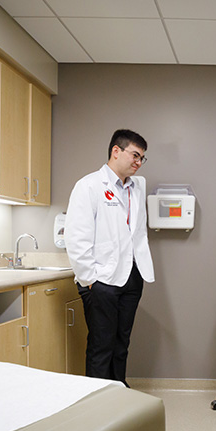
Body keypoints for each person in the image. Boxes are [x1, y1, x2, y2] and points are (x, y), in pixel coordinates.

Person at [64, 129, 154, 386]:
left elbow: (136, 233)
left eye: (142, 158)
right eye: (135, 155)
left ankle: (118, 396)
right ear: (116, 151)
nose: (138, 162)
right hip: (101, 280)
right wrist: (90, 279)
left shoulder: (136, 188)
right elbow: (76, 237)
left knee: (121, 344)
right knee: (101, 345)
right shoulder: (89, 186)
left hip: (132, 277)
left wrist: (137, 272)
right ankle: (98, 403)